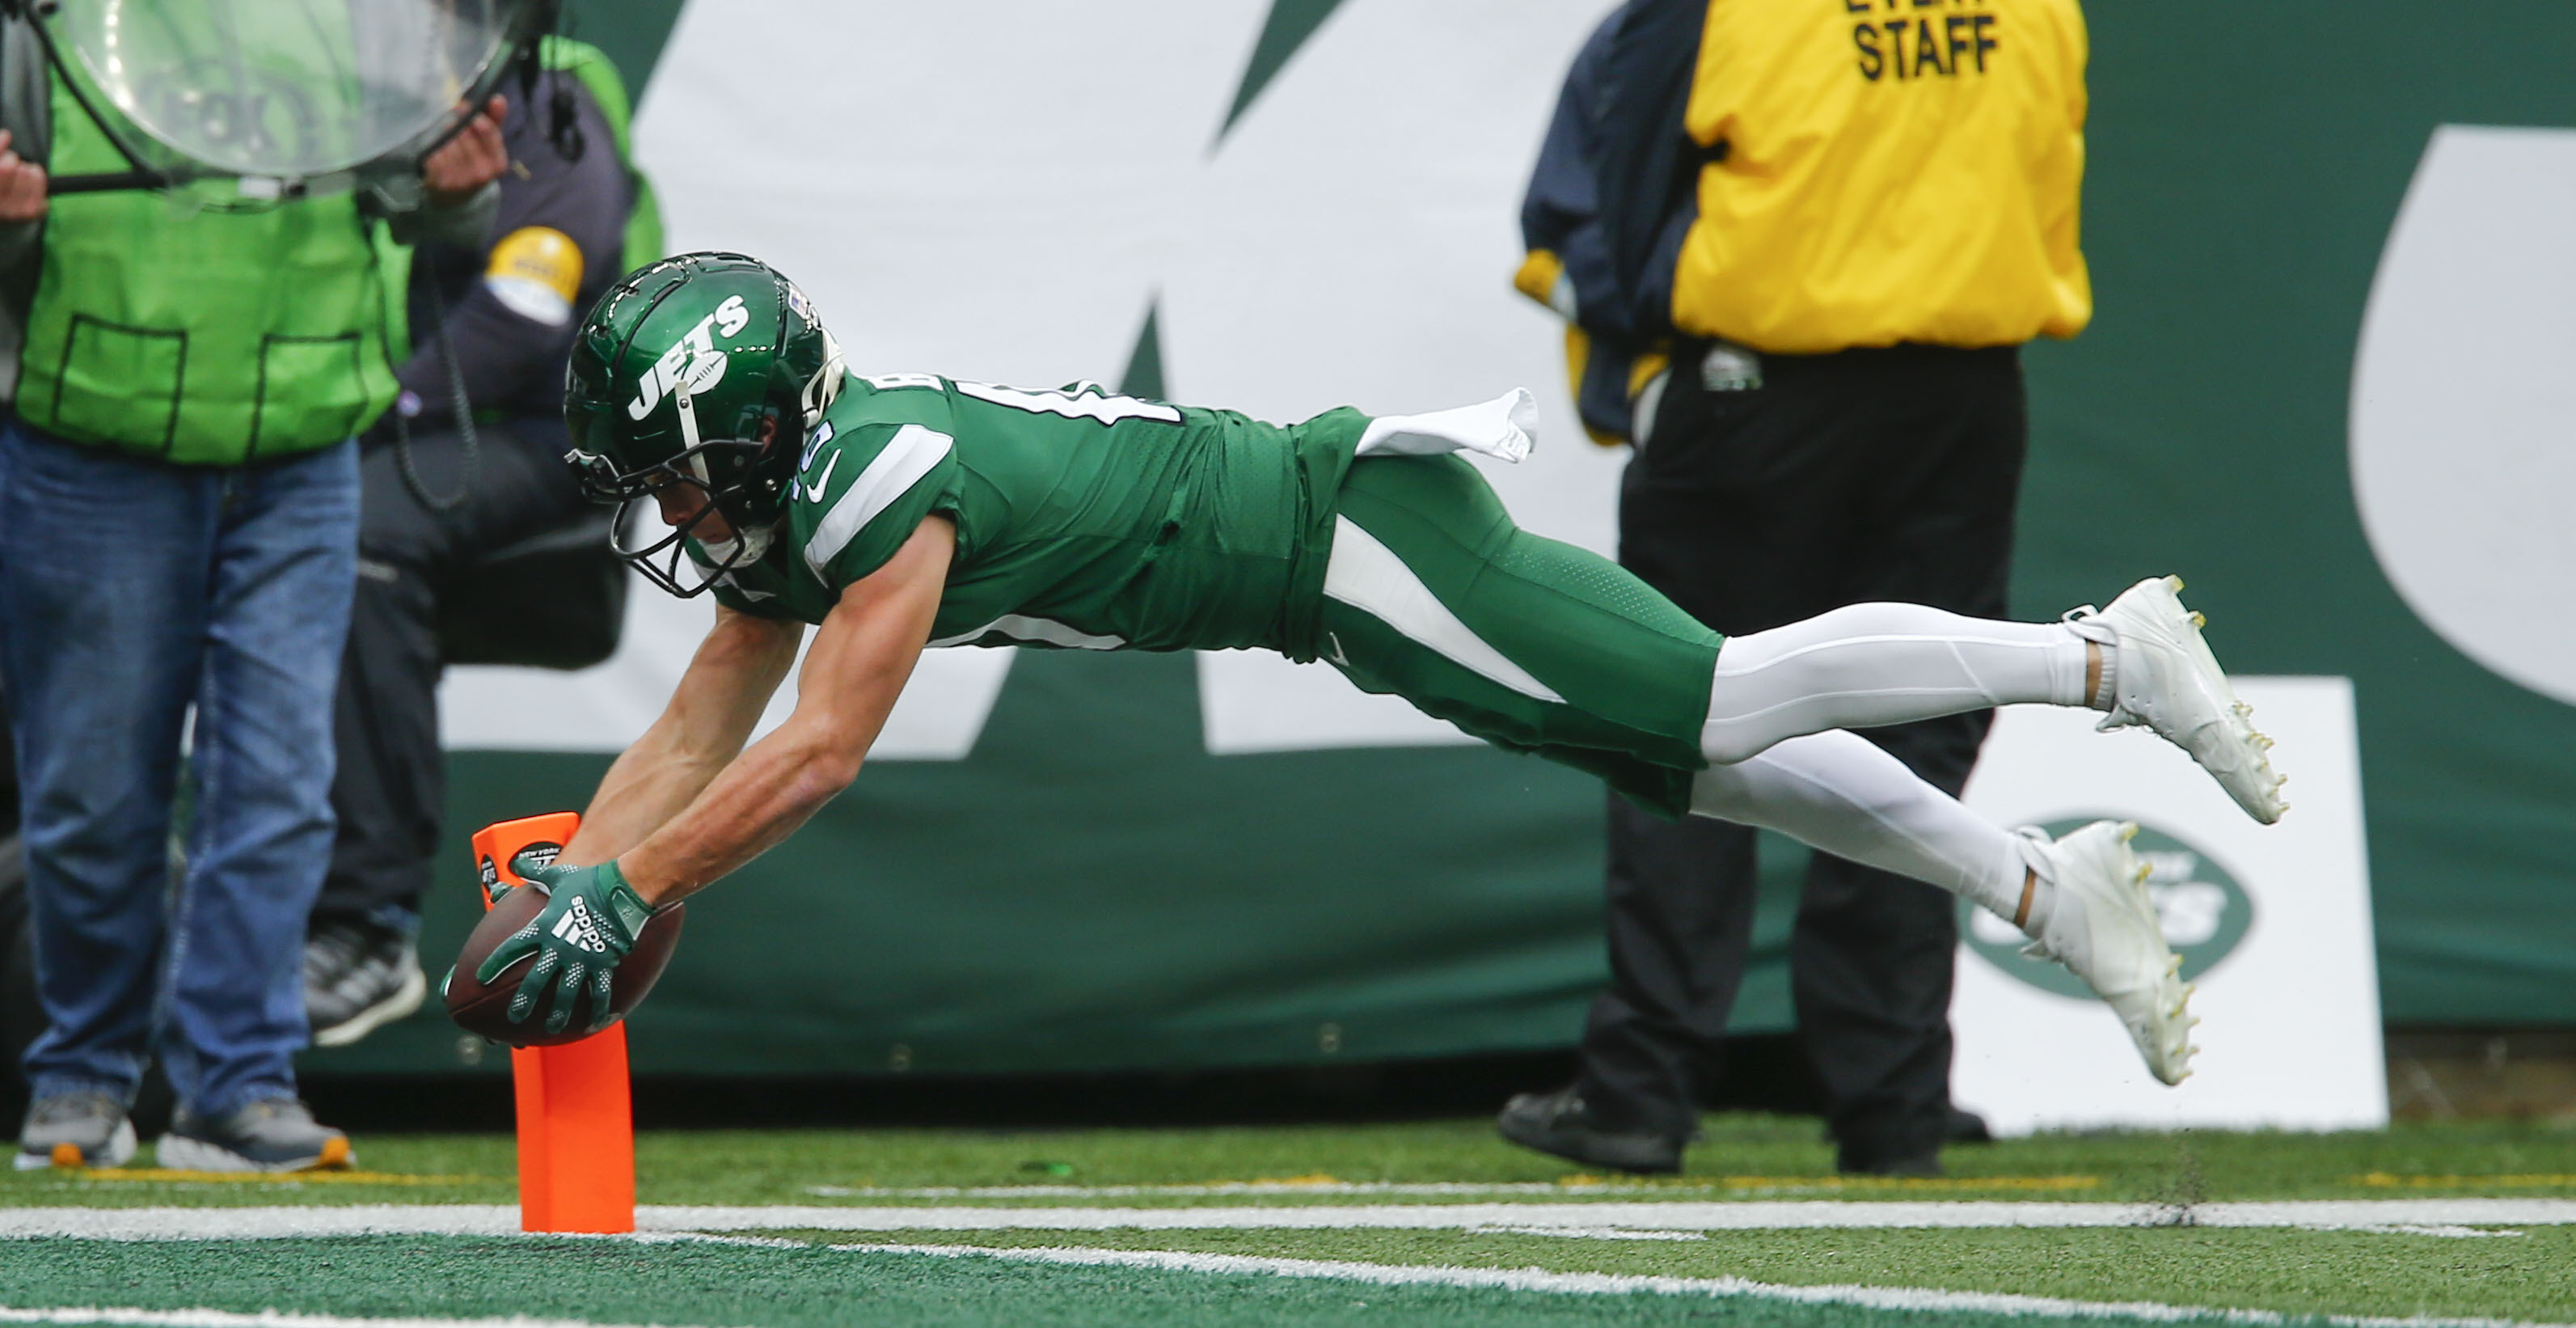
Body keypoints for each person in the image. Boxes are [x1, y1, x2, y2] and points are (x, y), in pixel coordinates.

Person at [467, 255, 2284, 1085]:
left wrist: (626, 893)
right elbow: (703, 717)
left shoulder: (873, 482)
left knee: (1720, 697)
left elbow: (811, 758)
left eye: (685, 465)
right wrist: (579, 873)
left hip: (1344, 538)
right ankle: (2057, 894)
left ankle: (2102, 653)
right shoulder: (793, 509)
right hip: (1328, 585)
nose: (679, 506)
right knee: (1704, 767)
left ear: (765, 427)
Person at [1501, 0, 2100, 1178]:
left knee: (1677, 721)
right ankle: (1890, 1106)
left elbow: (1600, 206)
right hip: (1961, 392)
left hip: (1754, 388)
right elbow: (2049, 168)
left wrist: (1646, 371)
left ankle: (1640, 1092)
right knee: (1916, 734)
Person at [0, 23, 510, 1172]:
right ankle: (83, 1072)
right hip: (89, 441)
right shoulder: (38, 34)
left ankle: (237, 1082)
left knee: (281, 783)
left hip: (306, 440)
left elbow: (426, 211)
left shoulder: (377, 22)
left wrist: (458, 199)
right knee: (90, 794)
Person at [304, 38, 659, 1048]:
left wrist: (359, 410)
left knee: (356, 532)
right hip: (329, 420)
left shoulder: (544, 96)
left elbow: (525, 312)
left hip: (536, 430)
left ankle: (365, 926)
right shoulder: (288, 91)